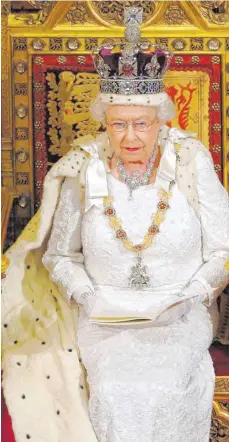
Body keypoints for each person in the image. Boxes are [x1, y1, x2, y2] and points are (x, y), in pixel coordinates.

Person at [2, 7, 229, 442]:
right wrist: (86, 296)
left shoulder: (190, 159)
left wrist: (192, 296)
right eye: (118, 124)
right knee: (115, 389)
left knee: (162, 386)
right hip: (103, 317)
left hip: (177, 316)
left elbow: (222, 248)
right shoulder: (84, 167)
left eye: (141, 125)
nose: (129, 137)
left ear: (161, 121)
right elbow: (59, 254)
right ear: (104, 123)